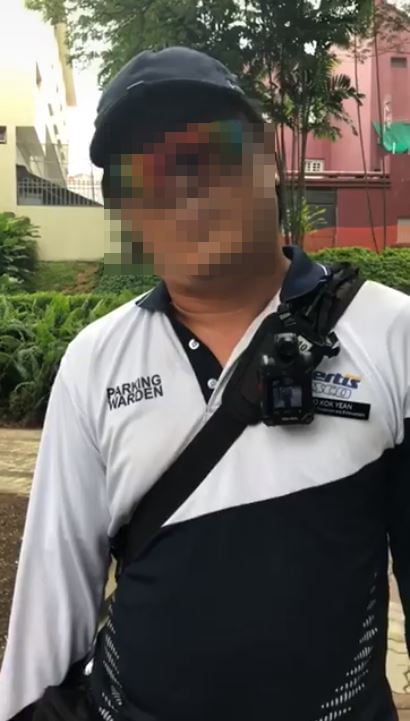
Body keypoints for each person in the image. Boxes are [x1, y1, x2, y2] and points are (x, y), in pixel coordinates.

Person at [0, 46, 409, 721]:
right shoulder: (95, 360)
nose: (179, 189)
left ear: (267, 157)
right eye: (140, 175)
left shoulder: (391, 334)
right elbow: (51, 593)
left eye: (208, 152)